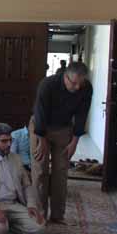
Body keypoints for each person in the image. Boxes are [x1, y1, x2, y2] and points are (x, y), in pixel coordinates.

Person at [30, 61, 93, 224]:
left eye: (81, 83)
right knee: (40, 170)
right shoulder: (47, 84)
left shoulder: (86, 88)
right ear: (65, 76)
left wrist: (74, 142)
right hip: (41, 127)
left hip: (64, 129)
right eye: (74, 83)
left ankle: (58, 215)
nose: (77, 87)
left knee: (61, 171)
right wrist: (41, 140)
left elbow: (82, 115)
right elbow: (40, 113)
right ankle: (40, 213)